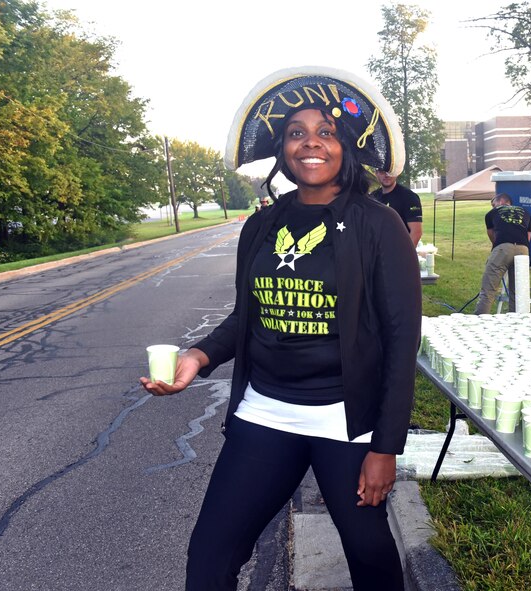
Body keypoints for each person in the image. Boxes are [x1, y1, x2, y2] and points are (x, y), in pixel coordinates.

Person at [140, 66, 420, 591]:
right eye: (296, 133)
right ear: (281, 148)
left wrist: (386, 447)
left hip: (347, 422)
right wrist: (198, 357)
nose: (310, 144)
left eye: (326, 133)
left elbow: (404, 339)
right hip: (265, 413)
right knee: (209, 559)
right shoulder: (262, 224)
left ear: (347, 148)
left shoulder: (378, 224)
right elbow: (247, 315)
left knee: (371, 559)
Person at [473, 193, 531, 315]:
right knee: (518, 293)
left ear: (500, 202)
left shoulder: (492, 213)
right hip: (523, 250)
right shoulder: (525, 212)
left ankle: (479, 323)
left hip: (503, 248)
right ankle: (517, 325)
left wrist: (498, 247)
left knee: (488, 290)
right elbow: (528, 235)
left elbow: (491, 234)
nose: (492, 207)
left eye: (493, 204)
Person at [371, 169, 423, 245]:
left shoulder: (409, 197)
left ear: (397, 172)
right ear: (376, 173)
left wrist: (404, 255)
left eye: (390, 171)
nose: (387, 175)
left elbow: (416, 232)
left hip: (399, 250)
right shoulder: (372, 197)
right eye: (382, 171)